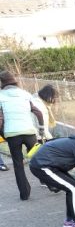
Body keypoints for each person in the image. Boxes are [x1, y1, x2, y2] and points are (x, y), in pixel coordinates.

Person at [0, 70, 44, 200]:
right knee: (38, 158)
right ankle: (50, 183)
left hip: (12, 134)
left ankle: (24, 194)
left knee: (18, 164)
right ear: (14, 81)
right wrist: (41, 130)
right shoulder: (25, 94)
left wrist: (4, 134)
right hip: (29, 132)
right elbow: (39, 113)